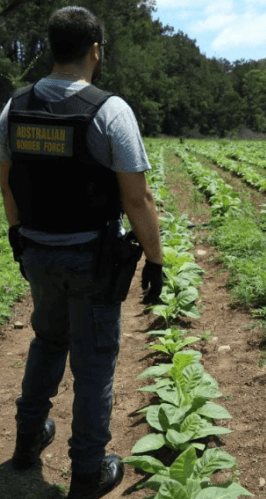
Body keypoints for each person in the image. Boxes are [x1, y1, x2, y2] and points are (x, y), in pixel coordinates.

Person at [0, 6, 163, 499]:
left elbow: (5, 183)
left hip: (37, 254)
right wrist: (155, 260)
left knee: (47, 342)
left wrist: (15, 233)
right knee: (94, 364)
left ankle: (28, 442)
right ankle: (88, 473)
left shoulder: (13, 108)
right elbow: (137, 198)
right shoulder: (109, 110)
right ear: (95, 51)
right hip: (91, 258)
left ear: (52, 48)